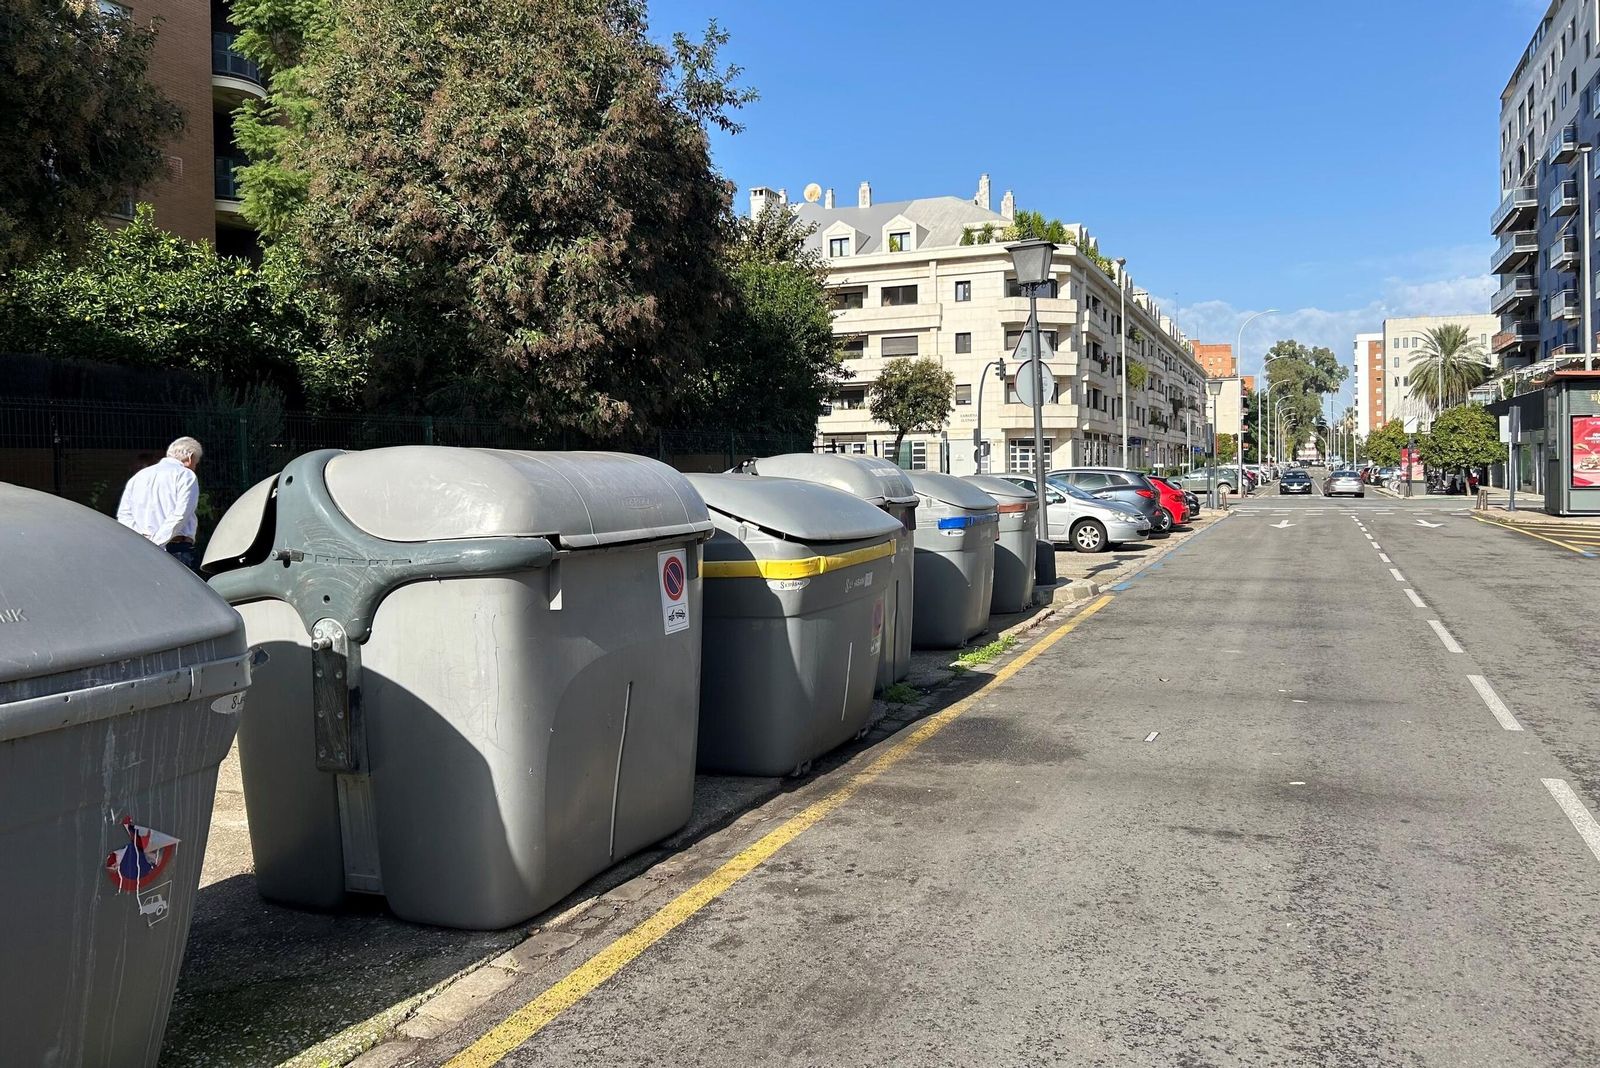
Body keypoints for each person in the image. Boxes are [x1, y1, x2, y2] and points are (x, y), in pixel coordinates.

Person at [117, 436, 204, 571]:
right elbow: (181, 513)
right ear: (190, 458)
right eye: (196, 464)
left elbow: (124, 515)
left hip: (141, 548)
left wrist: (142, 538)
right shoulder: (185, 475)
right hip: (176, 549)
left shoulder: (138, 477)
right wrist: (157, 542)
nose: (194, 468)